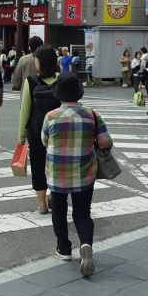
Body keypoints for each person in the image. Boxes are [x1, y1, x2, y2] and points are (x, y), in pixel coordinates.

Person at [42, 72, 113, 275]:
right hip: (84, 174)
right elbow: (107, 143)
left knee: (59, 211)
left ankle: (63, 248)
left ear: (59, 95)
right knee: (82, 213)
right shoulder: (92, 115)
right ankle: (86, 244)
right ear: (79, 93)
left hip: (57, 176)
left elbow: (44, 141)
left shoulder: (51, 117)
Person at [18, 45, 60, 214]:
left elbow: (25, 110)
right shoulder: (62, 79)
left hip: (36, 132)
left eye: (36, 59)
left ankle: (42, 205)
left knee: (38, 166)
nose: (34, 61)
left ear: (41, 61)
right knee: (57, 167)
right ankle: (55, 198)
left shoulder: (31, 81)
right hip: (58, 132)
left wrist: (21, 135)